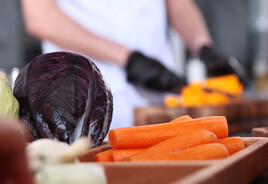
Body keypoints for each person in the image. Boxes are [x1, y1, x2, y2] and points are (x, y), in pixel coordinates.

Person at [20, 0, 247, 131]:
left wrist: (203, 46)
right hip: (79, 102)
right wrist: (128, 59)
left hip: (157, 102)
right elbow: (40, 17)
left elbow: (178, 4)